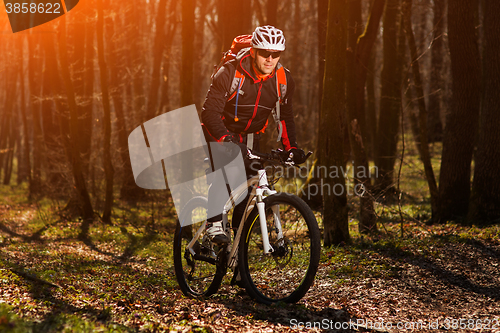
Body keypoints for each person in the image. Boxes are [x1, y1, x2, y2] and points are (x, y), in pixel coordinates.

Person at [201, 25, 307, 244]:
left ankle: (239, 251)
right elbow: (209, 113)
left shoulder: (283, 80)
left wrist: (292, 148)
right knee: (227, 169)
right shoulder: (229, 73)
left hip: (249, 135)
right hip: (218, 129)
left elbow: (285, 118)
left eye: (275, 54)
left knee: (249, 189)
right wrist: (225, 139)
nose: (270, 59)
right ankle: (213, 223)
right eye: (264, 53)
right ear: (253, 51)